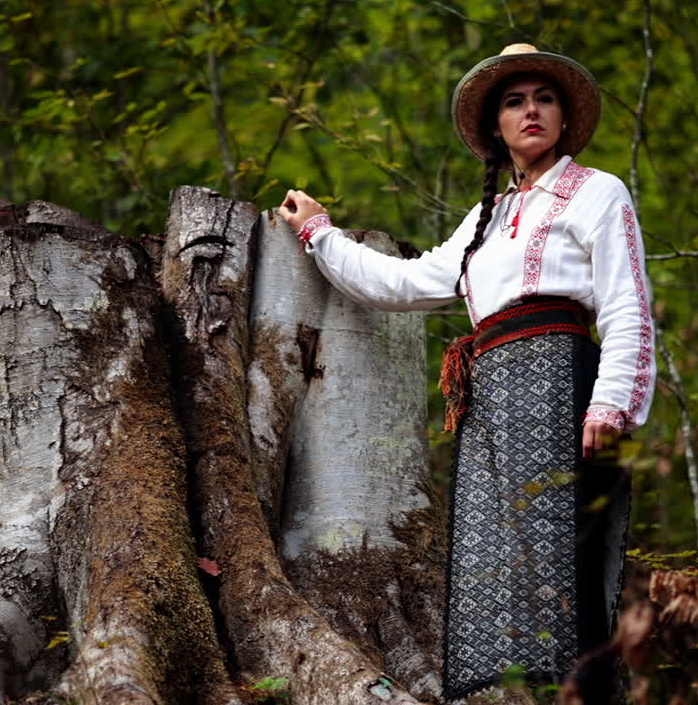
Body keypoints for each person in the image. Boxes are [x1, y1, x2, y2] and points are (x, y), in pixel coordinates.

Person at [276, 43, 655, 701]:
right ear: (495, 128)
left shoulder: (598, 191)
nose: (531, 111)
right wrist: (320, 234)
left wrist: (610, 414)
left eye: (544, 99)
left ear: (564, 118)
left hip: (572, 390)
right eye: (514, 102)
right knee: (498, 574)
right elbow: (406, 281)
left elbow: (629, 309)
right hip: (491, 403)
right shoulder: (488, 218)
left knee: (578, 568)